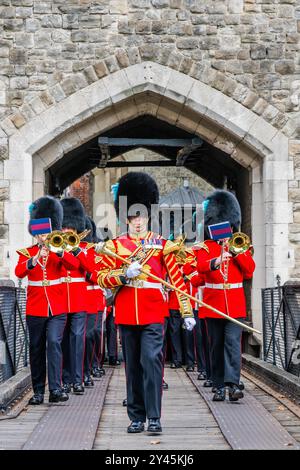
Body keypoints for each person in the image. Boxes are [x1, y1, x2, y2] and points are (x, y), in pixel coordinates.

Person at [95, 172, 195, 434]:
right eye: (132, 217)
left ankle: (154, 416)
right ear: (125, 217)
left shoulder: (163, 246)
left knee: (151, 361)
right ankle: (136, 416)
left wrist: (186, 311)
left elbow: (177, 280)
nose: (137, 221)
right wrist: (122, 274)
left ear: (149, 215)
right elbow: (102, 278)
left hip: (153, 313)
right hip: (127, 314)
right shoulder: (115, 247)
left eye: (140, 216)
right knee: (133, 368)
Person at [15, 196, 79, 404]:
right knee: (36, 348)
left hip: (57, 307)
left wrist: (57, 251)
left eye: (46, 232)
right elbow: (19, 271)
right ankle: (39, 392)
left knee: (54, 343)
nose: (43, 236)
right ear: (35, 232)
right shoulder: (27, 253)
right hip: (35, 307)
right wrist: (34, 260)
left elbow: (73, 265)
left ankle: (56, 389)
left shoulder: (58, 250)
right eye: (40, 233)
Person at [195, 190, 255, 402]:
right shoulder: (205, 247)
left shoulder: (240, 245)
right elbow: (199, 268)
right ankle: (218, 384)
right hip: (214, 304)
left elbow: (249, 271)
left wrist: (237, 253)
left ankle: (233, 384)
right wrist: (216, 261)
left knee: (232, 343)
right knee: (216, 345)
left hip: (236, 304)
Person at [60, 197, 88, 395]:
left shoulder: (84, 249)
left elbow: (90, 268)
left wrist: (76, 250)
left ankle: (77, 380)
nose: (67, 230)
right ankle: (65, 379)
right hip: (60, 298)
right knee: (62, 341)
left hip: (78, 299)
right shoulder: (55, 247)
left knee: (77, 338)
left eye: (70, 228)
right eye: (64, 227)